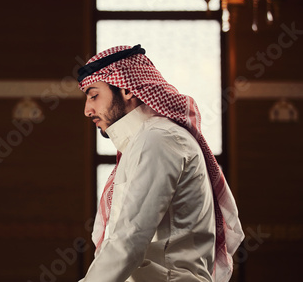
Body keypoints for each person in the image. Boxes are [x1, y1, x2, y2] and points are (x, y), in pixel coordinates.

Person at [77, 45, 244, 282]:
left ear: (126, 88)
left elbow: (129, 240)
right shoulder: (144, 141)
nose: (87, 109)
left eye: (94, 95)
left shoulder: (158, 139)